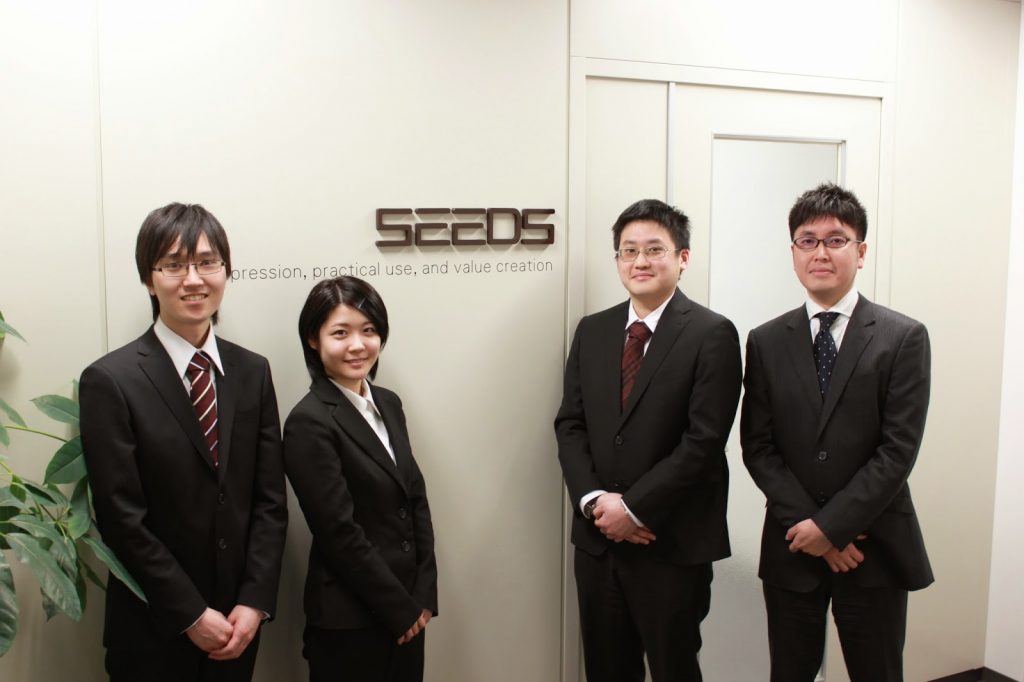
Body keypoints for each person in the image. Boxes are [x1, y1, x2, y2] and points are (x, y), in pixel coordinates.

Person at [79, 203, 288, 682]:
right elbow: (121, 518)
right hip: (152, 631)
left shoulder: (252, 371)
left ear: (226, 271)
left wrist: (254, 603)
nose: (193, 279)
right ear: (149, 280)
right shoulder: (110, 380)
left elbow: (270, 502)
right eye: (173, 265)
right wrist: (191, 614)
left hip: (238, 629)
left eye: (207, 262)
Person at [741, 183, 933, 682]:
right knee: (790, 672)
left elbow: (898, 450)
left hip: (874, 545)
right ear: (793, 252)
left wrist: (832, 528)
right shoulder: (765, 340)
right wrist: (813, 529)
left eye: (836, 240)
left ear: (860, 251)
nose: (820, 252)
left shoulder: (902, 337)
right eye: (808, 241)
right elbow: (758, 447)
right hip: (793, 543)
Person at [554, 199, 742, 682]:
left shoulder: (712, 334)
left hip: (670, 544)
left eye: (655, 249)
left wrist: (633, 509)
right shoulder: (593, 330)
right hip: (599, 544)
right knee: (606, 669)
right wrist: (596, 503)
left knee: (673, 668)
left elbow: (703, 442)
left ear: (683, 258)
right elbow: (570, 425)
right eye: (629, 250)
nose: (640, 261)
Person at [283, 276, 438, 682]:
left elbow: (414, 498)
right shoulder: (308, 421)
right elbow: (338, 532)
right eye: (340, 333)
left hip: (410, 612)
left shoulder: (389, 402)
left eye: (368, 330)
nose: (358, 345)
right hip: (350, 620)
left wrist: (423, 594)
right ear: (313, 339)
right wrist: (398, 608)